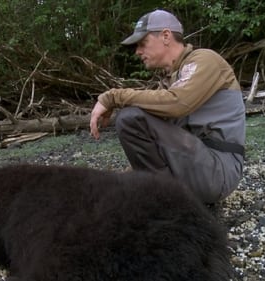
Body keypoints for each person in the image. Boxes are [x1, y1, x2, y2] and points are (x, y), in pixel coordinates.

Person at [89, 9, 245, 204]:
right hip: (195, 165)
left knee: (130, 118)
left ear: (165, 36)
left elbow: (178, 102)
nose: (138, 51)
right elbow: (155, 142)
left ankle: (165, 200)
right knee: (135, 117)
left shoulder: (205, 60)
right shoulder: (172, 77)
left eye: (142, 44)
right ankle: (160, 195)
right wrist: (124, 180)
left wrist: (112, 97)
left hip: (218, 171)